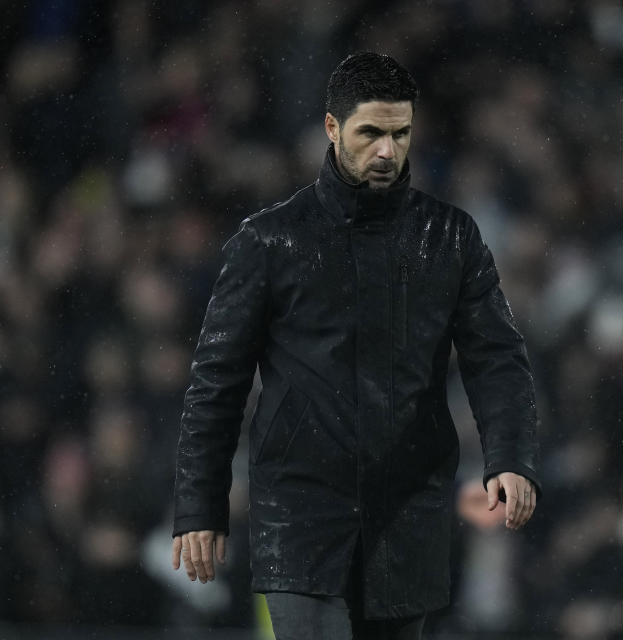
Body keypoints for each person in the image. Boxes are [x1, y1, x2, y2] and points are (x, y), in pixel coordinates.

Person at [171, 51, 541, 639]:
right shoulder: (270, 241)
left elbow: (498, 359)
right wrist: (199, 507)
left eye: (401, 133)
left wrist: (511, 459)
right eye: (371, 133)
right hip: (300, 511)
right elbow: (216, 383)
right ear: (332, 128)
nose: (388, 151)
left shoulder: (450, 238)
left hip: (408, 513)